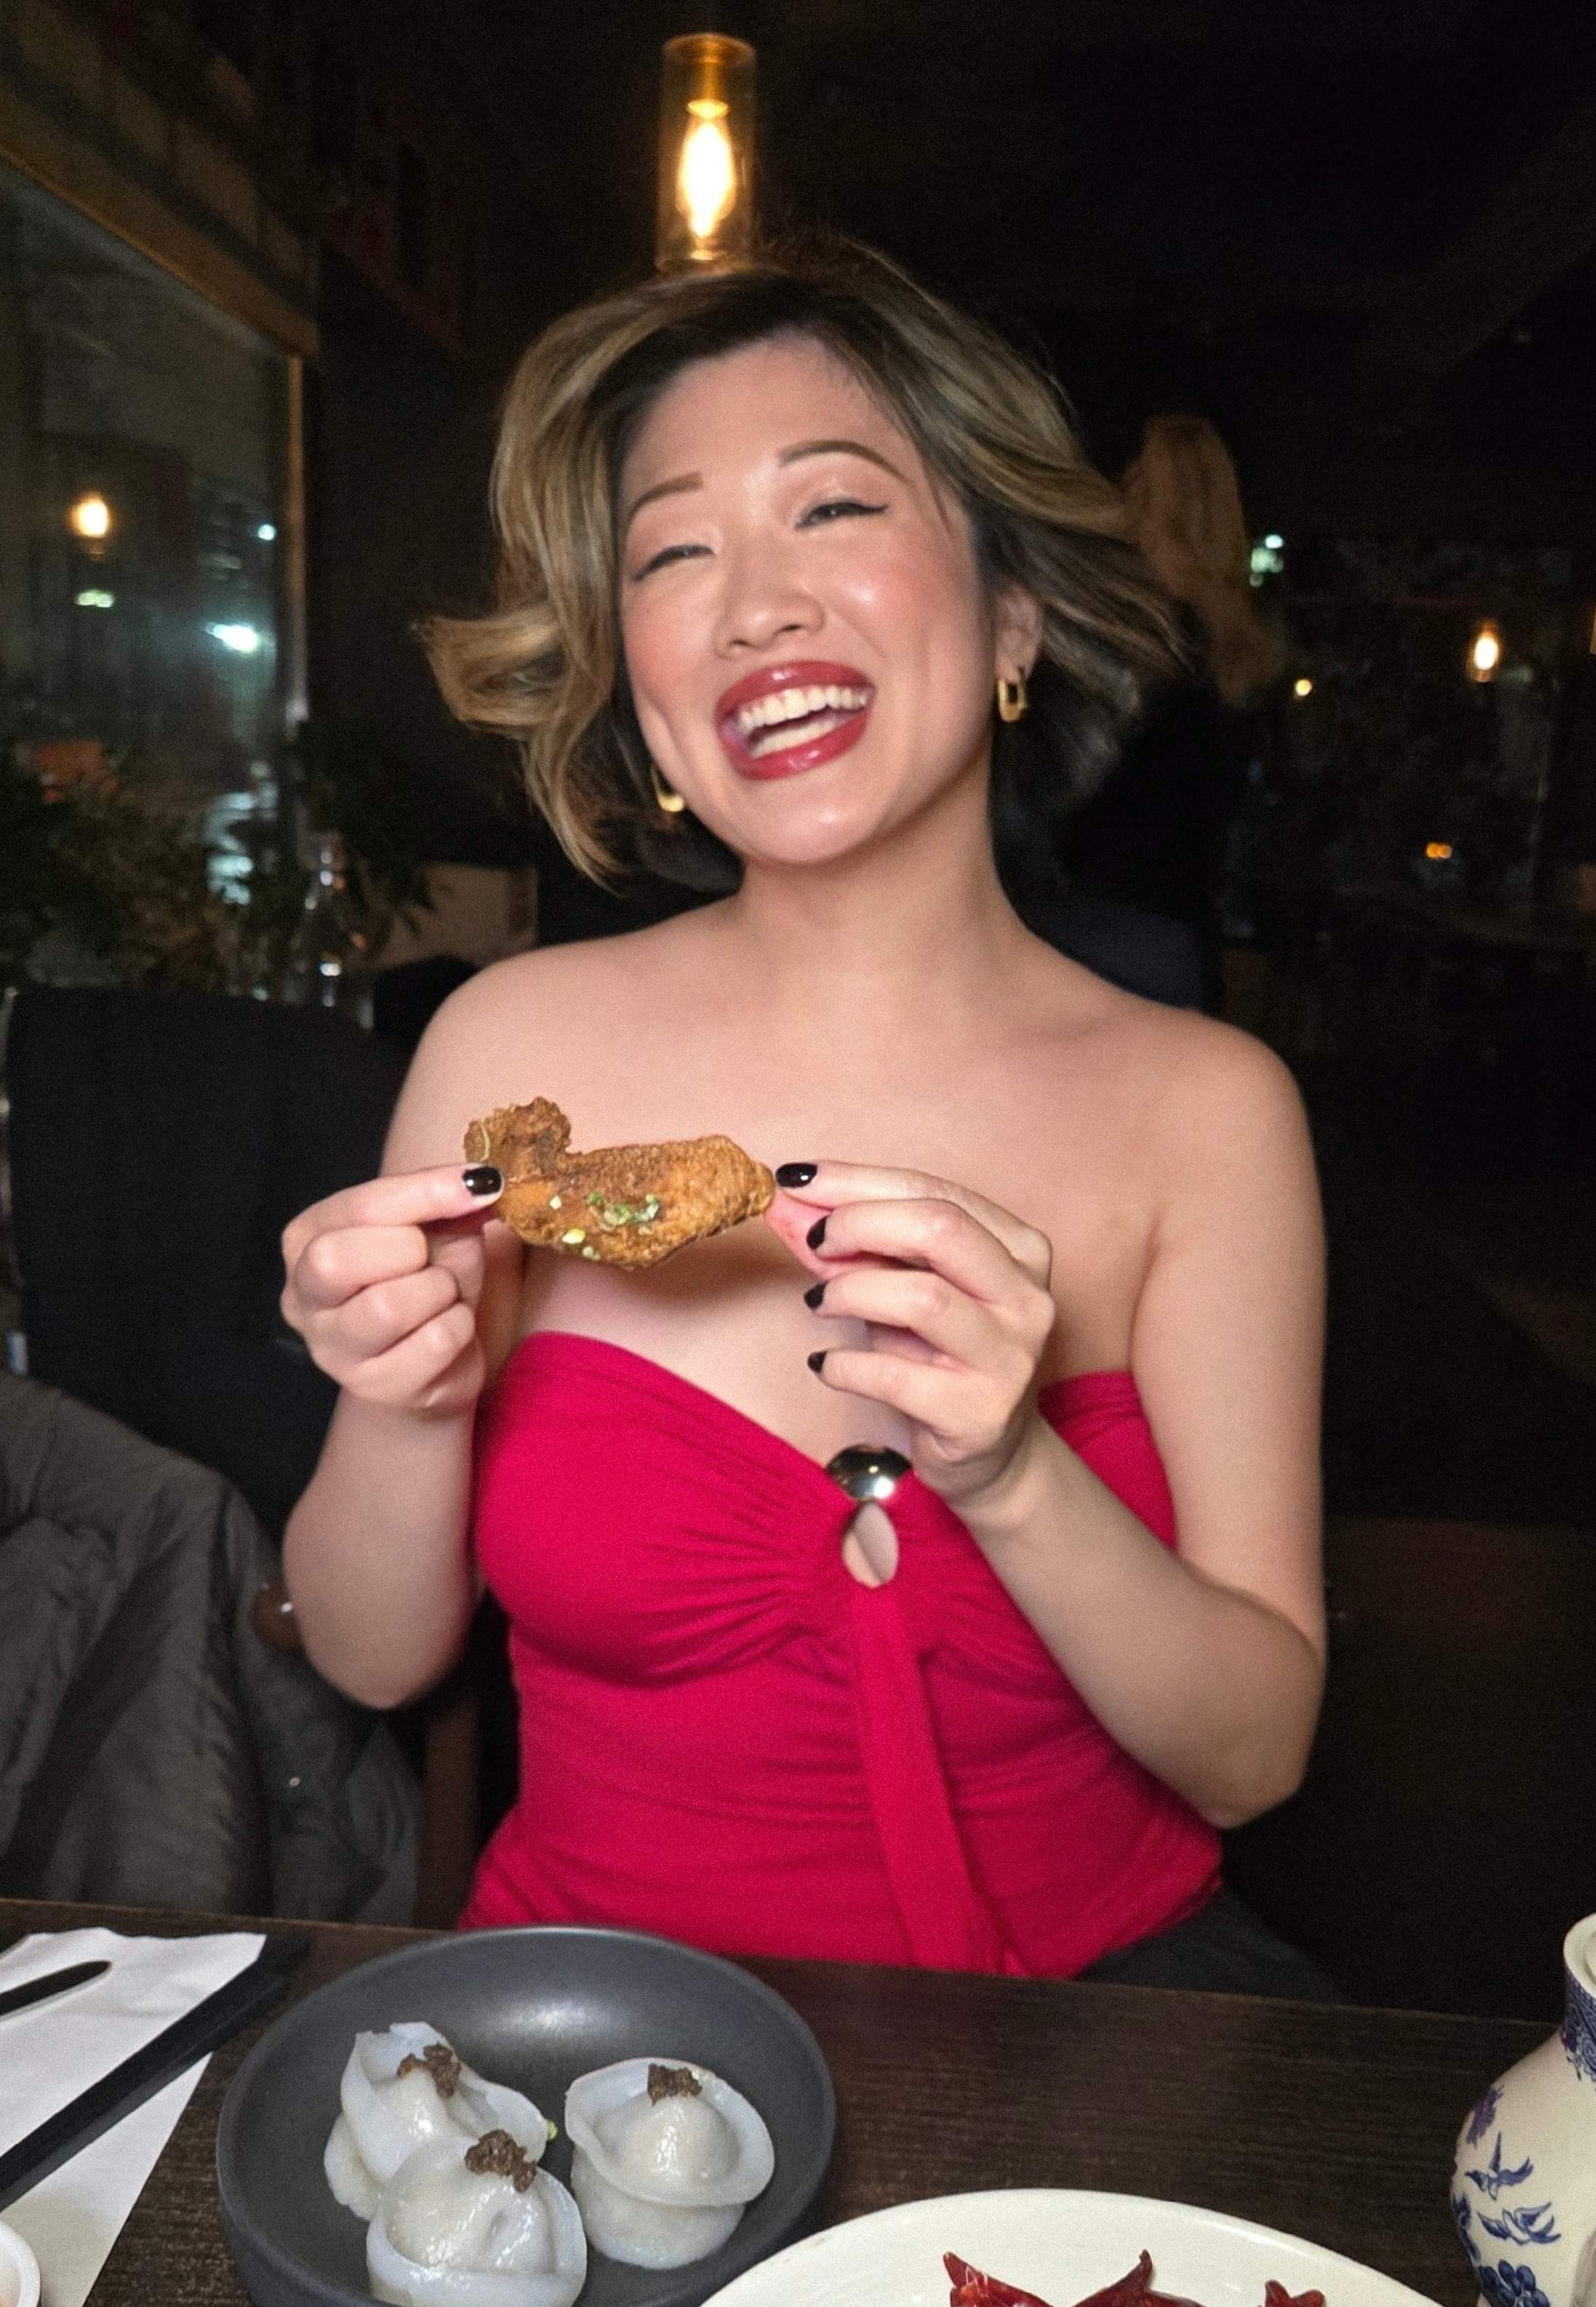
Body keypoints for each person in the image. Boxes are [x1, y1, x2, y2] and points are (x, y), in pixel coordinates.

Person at [278, 238, 1330, 1994]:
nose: (754, 604)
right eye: (676, 552)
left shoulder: (1208, 1110)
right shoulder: (503, 1048)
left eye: (831, 511)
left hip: (1083, 2077)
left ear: (1012, 614)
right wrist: (409, 1393)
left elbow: (1256, 1749)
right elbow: (379, 1659)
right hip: (581, 2053)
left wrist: (1010, 1471)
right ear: (644, 692)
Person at [1060, 416, 1283, 1010]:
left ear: (1159, 511)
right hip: (1177, 937)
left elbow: (1100, 813)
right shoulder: (1230, 650)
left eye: (1136, 485)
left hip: (1110, 935)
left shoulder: (1148, 649)